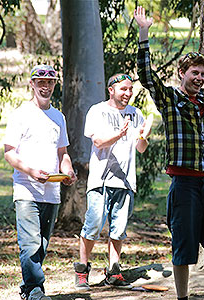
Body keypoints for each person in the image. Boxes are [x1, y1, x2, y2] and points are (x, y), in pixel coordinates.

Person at [134, 6, 204, 300]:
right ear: (182, 73)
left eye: (203, 74)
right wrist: (144, 32)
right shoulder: (168, 98)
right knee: (183, 248)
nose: (200, 78)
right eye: (195, 73)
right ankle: (182, 298)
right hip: (183, 186)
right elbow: (145, 74)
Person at [4, 64, 77, 300]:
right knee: (30, 242)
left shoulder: (58, 117)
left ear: (55, 85)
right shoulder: (20, 114)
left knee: (42, 244)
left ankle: (28, 289)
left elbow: (62, 153)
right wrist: (31, 171)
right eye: (41, 82)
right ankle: (35, 288)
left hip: (51, 192)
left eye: (50, 83)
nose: (45, 87)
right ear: (32, 84)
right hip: (26, 190)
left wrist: (68, 171)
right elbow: (9, 153)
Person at [73, 73, 150, 290]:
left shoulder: (136, 113)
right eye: (123, 89)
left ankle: (113, 271)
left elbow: (141, 148)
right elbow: (98, 141)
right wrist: (119, 134)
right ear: (111, 90)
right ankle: (82, 270)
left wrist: (143, 135)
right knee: (94, 224)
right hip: (100, 180)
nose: (128, 93)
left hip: (125, 182)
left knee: (118, 229)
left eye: (130, 89)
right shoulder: (97, 110)